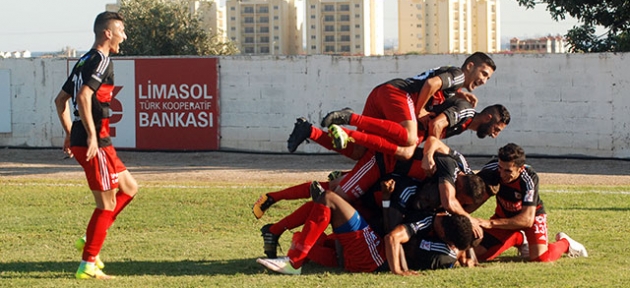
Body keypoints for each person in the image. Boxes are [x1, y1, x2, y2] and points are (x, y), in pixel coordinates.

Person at [253, 102, 511, 219]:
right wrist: (428, 151)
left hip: (389, 161)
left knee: (348, 167)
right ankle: (347, 123)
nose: (494, 136)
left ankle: (309, 133)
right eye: (496, 130)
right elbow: (434, 132)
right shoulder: (463, 117)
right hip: (387, 156)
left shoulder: (461, 151)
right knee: (335, 198)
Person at [287, 52, 497, 160]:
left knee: (358, 152)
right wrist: (420, 110)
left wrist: (459, 93)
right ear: (470, 66)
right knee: (409, 137)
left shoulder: (456, 83)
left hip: (384, 95)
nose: (484, 81)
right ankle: (348, 119)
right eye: (483, 74)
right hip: (397, 93)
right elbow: (431, 83)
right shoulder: (459, 75)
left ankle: (309, 131)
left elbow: (436, 81)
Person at [54, 11, 135, 280]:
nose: (124, 36)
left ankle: (91, 238)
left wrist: (69, 133)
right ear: (107, 33)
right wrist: (89, 134)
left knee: (129, 188)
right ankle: (88, 262)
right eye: (121, 30)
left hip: (95, 140)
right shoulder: (101, 59)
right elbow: (83, 95)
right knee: (107, 204)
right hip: (95, 142)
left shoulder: (84, 59)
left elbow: (60, 100)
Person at [473, 143, 588, 262]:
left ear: (520, 168)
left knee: (541, 258)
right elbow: (470, 191)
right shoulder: (491, 169)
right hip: (504, 218)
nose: (502, 174)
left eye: (508, 171)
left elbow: (527, 220)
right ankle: (520, 238)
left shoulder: (529, 178)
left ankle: (565, 243)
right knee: (477, 256)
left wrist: (490, 223)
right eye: (500, 168)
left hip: (532, 217)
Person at [256, 182, 387, 275]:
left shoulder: (389, 175)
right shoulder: (377, 169)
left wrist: (400, 268)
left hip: (369, 250)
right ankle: (275, 232)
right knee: (321, 204)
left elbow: (395, 234)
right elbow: (324, 186)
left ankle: (293, 259)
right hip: (356, 242)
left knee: (328, 198)